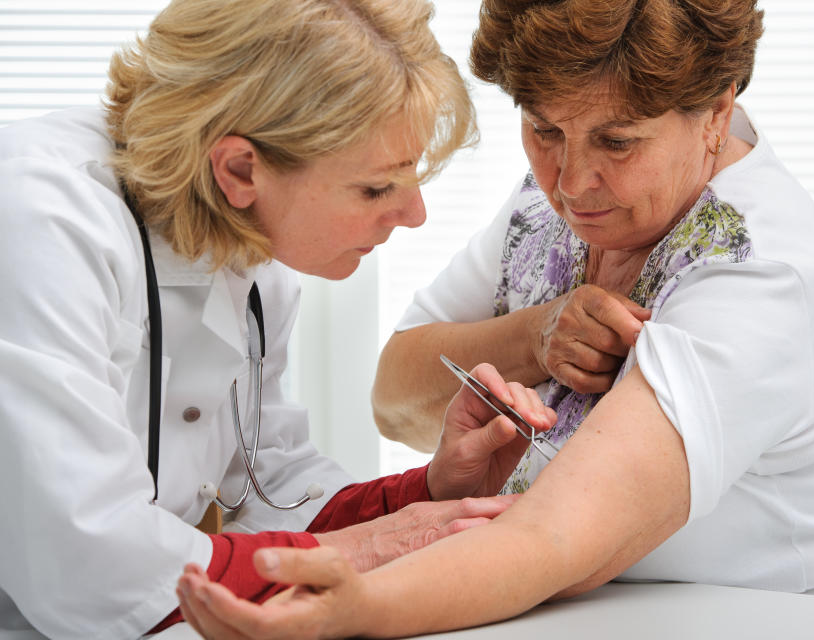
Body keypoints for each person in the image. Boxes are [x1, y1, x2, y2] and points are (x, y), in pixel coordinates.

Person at [176, 0, 814, 637]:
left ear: (716, 113)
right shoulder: (563, 200)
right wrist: (535, 335)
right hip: (567, 609)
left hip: (766, 620)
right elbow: (394, 396)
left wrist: (355, 606)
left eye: (619, 143)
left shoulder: (757, 269)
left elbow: (562, 536)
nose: (570, 181)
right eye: (544, 129)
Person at [0, 0, 559, 638]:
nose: (415, 216)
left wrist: (424, 491)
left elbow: (270, 487)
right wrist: (364, 552)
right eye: (377, 188)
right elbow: (82, 561)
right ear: (240, 168)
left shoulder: (249, 246)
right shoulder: (37, 221)